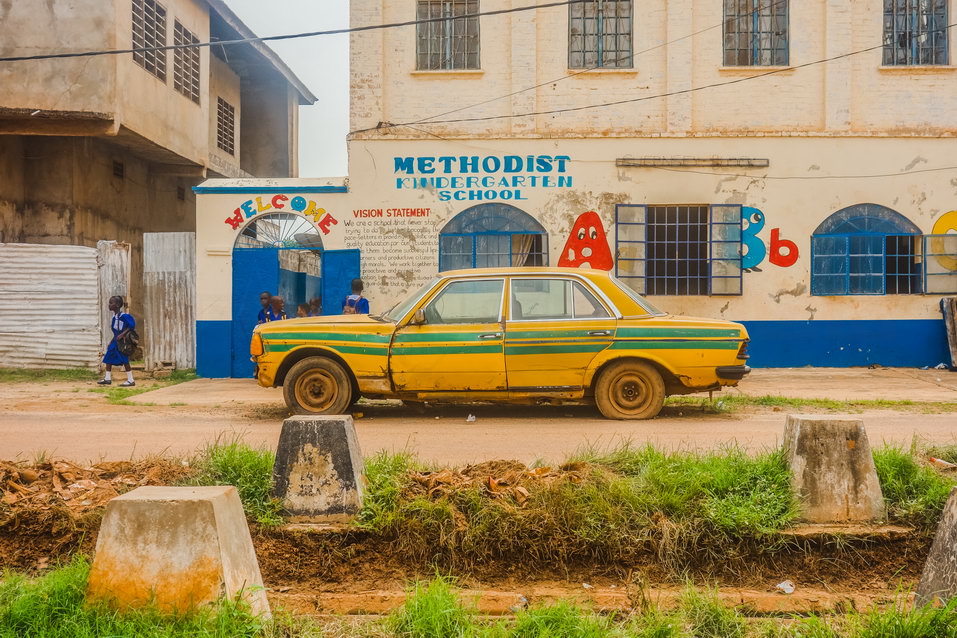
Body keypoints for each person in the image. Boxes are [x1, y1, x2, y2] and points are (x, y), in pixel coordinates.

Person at [99, 295, 136, 387]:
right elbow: (116, 332)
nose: (109, 305)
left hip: (122, 343)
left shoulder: (124, 316)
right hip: (115, 341)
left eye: (111, 303)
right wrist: (111, 341)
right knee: (108, 357)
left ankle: (131, 380)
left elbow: (132, 326)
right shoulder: (114, 317)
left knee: (124, 360)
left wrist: (123, 334)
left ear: (118, 305)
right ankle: (107, 378)